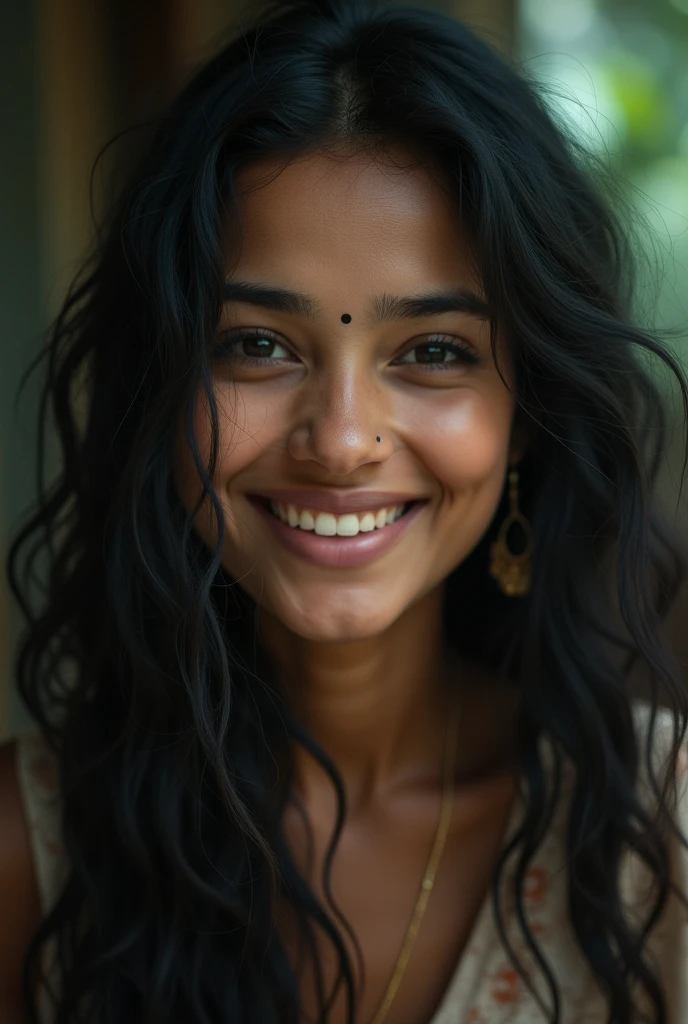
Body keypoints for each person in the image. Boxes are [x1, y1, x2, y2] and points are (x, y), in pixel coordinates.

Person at [1, 0, 687, 1020]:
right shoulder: (31, 850)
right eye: (257, 344)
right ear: (158, 388)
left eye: (434, 351)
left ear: (528, 414)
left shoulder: (658, 834)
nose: (341, 437)